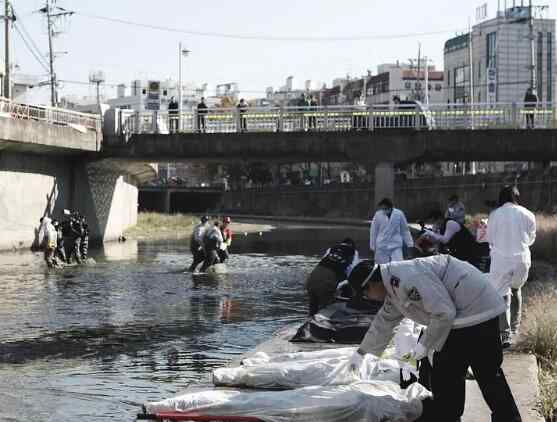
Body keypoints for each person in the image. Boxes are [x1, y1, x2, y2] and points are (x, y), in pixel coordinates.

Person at [346, 257, 522, 422]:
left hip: (474, 312)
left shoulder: (406, 278)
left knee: (476, 374)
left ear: (370, 284)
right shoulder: (393, 284)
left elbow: (444, 312)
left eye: (365, 294)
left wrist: (424, 345)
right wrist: (362, 353)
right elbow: (384, 321)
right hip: (467, 314)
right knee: (456, 378)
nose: (368, 298)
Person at [487, 185, 536, 347]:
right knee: (516, 290)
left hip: (501, 260)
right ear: (517, 197)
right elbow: (531, 239)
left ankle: (505, 334)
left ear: (501, 199)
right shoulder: (528, 214)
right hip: (521, 259)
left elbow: (491, 239)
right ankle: (515, 329)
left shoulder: (494, 215)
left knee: (502, 295)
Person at [305, 238, 359, 316]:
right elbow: (353, 273)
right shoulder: (353, 252)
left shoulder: (331, 250)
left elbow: (323, 265)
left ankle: (309, 323)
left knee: (313, 310)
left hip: (311, 280)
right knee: (327, 311)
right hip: (326, 284)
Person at [369, 198, 413, 264]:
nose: (384, 210)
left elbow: (405, 230)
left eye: (385, 208)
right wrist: (372, 246)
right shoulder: (378, 215)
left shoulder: (399, 214)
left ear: (391, 207)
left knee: (398, 264)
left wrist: (409, 244)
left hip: (395, 244)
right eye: (382, 209)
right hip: (381, 244)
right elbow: (374, 231)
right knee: (381, 267)